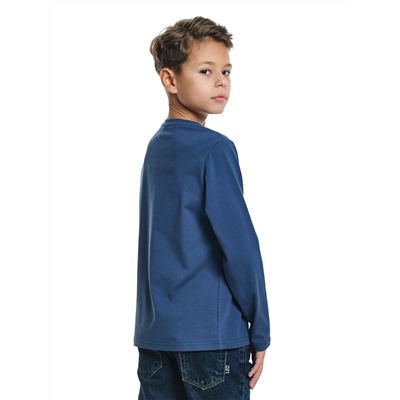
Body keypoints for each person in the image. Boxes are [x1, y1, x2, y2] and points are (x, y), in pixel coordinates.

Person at [134, 16, 271, 400]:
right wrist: (260, 328)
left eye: (226, 71)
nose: (221, 81)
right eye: (206, 71)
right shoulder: (215, 148)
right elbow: (239, 247)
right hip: (212, 339)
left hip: (156, 339)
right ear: (170, 79)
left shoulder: (157, 147)